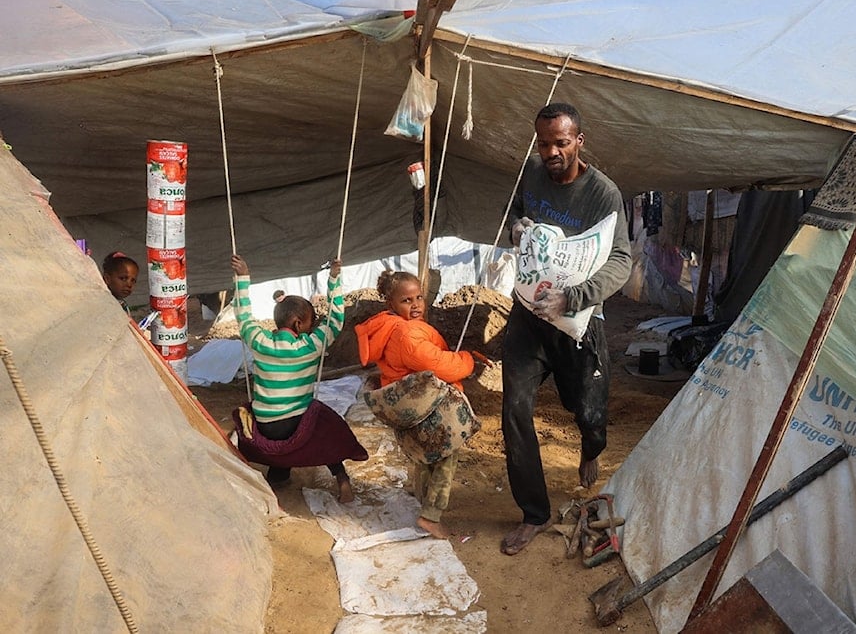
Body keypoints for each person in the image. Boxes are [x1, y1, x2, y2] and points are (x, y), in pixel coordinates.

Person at [499, 102, 632, 555]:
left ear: (579, 140)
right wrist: (515, 228)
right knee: (515, 408)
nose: (551, 151)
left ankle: (591, 448)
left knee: (588, 411)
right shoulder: (531, 175)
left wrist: (573, 298)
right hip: (529, 314)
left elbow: (621, 260)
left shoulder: (603, 194)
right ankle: (533, 513)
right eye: (544, 143)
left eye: (560, 142)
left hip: (578, 320)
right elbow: (511, 218)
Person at [354, 270, 489, 539]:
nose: (415, 305)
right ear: (391, 304)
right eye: (407, 300)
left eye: (419, 297)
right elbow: (439, 365)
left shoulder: (388, 328)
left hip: (411, 409)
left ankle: (422, 499)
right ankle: (431, 516)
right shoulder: (407, 336)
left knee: (425, 456)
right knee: (445, 458)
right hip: (427, 407)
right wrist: (466, 360)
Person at [230, 254, 368, 502]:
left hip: (266, 425)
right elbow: (336, 321)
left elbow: (243, 316)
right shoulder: (311, 345)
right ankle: (341, 477)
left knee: (271, 431)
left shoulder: (260, 342)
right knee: (326, 429)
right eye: (310, 323)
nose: (313, 328)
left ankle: (278, 476)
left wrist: (243, 278)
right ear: (298, 323)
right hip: (296, 423)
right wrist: (334, 280)